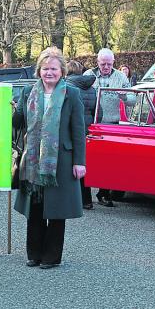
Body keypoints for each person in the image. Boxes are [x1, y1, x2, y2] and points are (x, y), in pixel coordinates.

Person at [13, 47, 85, 269]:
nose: (49, 73)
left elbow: (78, 130)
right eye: (45, 69)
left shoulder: (71, 94)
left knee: (56, 209)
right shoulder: (27, 93)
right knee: (34, 207)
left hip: (60, 160)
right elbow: (18, 123)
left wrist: (79, 162)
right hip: (33, 161)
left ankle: (51, 256)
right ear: (39, 71)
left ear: (62, 71)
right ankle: (34, 254)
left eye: (53, 68)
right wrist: (12, 111)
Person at [84, 48, 130, 207]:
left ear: (113, 63)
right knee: (89, 159)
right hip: (92, 123)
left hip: (112, 123)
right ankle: (85, 196)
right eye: (103, 64)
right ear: (97, 62)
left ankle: (104, 193)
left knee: (109, 161)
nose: (106, 67)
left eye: (109, 64)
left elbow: (132, 100)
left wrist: (124, 95)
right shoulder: (88, 75)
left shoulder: (121, 76)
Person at [65, 60, 96, 210]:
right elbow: (99, 111)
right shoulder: (91, 88)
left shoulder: (67, 86)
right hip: (87, 130)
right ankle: (87, 200)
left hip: (71, 130)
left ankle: (73, 200)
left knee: (70, 165)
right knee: (81, 163)